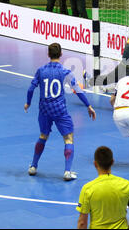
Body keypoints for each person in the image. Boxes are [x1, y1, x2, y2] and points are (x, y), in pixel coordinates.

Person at [25, 43, 96, 181]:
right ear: (61, 54)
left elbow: (30, 89)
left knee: (43, 136)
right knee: (68, 138)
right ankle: (67, 172)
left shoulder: (40, 70)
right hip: (59, 110)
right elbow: (77, 89)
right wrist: (88, 105)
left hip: (44, 109)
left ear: (48, 54)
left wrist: (28, 102)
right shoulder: (65, 72)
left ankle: (33, 166)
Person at [76, 146, 129, 229]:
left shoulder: (87, 189)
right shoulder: (126, 185)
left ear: (95, 164)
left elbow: (82, 223)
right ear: (112, 162)